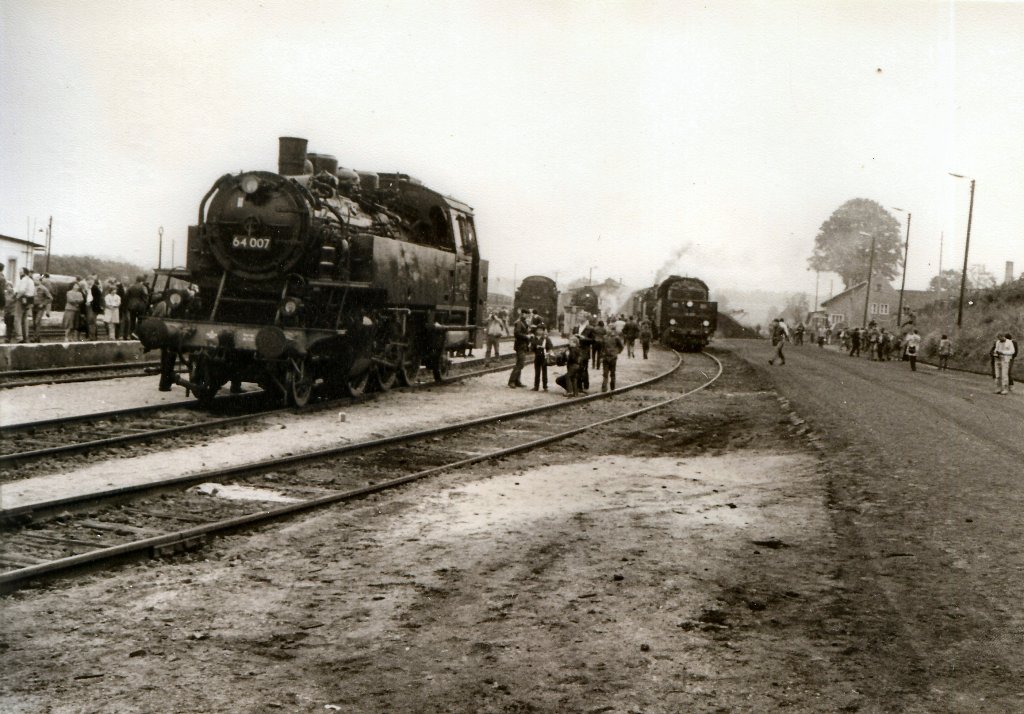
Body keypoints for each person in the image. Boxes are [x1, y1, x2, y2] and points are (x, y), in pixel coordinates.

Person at [507, 310, 531, 388]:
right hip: (520, 345)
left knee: (520, 363)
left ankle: (517, 381)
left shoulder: (523, 322)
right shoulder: (519, 322)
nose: (527, 316)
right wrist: (527, 336)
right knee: (520, 364)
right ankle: (512, 381)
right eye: (526, 314)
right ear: (523, 314)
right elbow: (517, 333)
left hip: (523, 345)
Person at [12, 268, 35, 343]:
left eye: (20, 272)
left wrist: (17, 297)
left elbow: (22, 290)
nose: (19, 274)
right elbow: (34, 292)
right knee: (24, 319)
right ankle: (25, 336)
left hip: (22, 299)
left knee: (17, 318)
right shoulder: (31, 280)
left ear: (24, 273)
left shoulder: (24, 280)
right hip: (29, 300)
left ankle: (19, 337)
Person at [125, 275, 149, 340]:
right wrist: (146, 304)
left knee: (132, 321)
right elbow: (146, 297)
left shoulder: (130, 287)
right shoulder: (143, 287)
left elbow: (126, 296)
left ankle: (130, 335)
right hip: (140, 307)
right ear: (141, 281)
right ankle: (137, 334)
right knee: (140, 321)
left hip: (132, 306)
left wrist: (128, 305)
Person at [600, 328, 624, 392]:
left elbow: (621, 346)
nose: (609, 330)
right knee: (606, 373)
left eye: (610, 329)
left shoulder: (616, 338)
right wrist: (601, 356)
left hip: (612, 357)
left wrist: (617, 352)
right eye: (608, 329)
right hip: (606, 357)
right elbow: (602, 347)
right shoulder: (605, 337)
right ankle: (604, 387)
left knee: (612, 372)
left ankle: (612, 386)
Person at [530, 325, 554, 390]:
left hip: (544, 357)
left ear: (543, 331)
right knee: (537, 372)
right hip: (537, 357)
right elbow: (531, 348)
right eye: (538, 330)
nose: (539, 331)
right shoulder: (534, 338)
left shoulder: (546, 338)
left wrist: (547, 350)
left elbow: (550, 347)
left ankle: (545, 386)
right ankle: (536, 386)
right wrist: (535, 347)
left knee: (544, 372)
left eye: (541, 330)